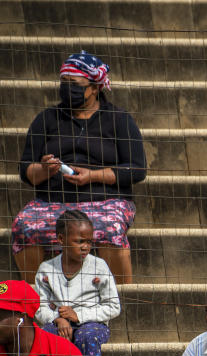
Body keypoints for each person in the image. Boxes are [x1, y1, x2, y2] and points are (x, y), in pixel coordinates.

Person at [17, 51, 146, 285]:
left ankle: (124, 297)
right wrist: (45, 169)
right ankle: (33, 297)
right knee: (25, 225)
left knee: (110, 227)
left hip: (106, 200)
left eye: (75, 84)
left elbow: (137, 169)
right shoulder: (46, 118)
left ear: (95, 87)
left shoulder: (118, 119)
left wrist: (93, 176)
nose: (68, 89)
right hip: (52, 201)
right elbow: (25, 169)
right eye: (64, 83)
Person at [34, 210, 120, 356]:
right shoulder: (46, 269)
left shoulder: (99, 266)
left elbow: (113, 306)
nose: (86, 247)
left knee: (87, 336)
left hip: (92, 323)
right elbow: (39, 306)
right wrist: (57, 318)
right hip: (58, 323)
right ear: (61, 239)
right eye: (79, 241)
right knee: (46, 336)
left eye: (89, 241)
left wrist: (79, 316)